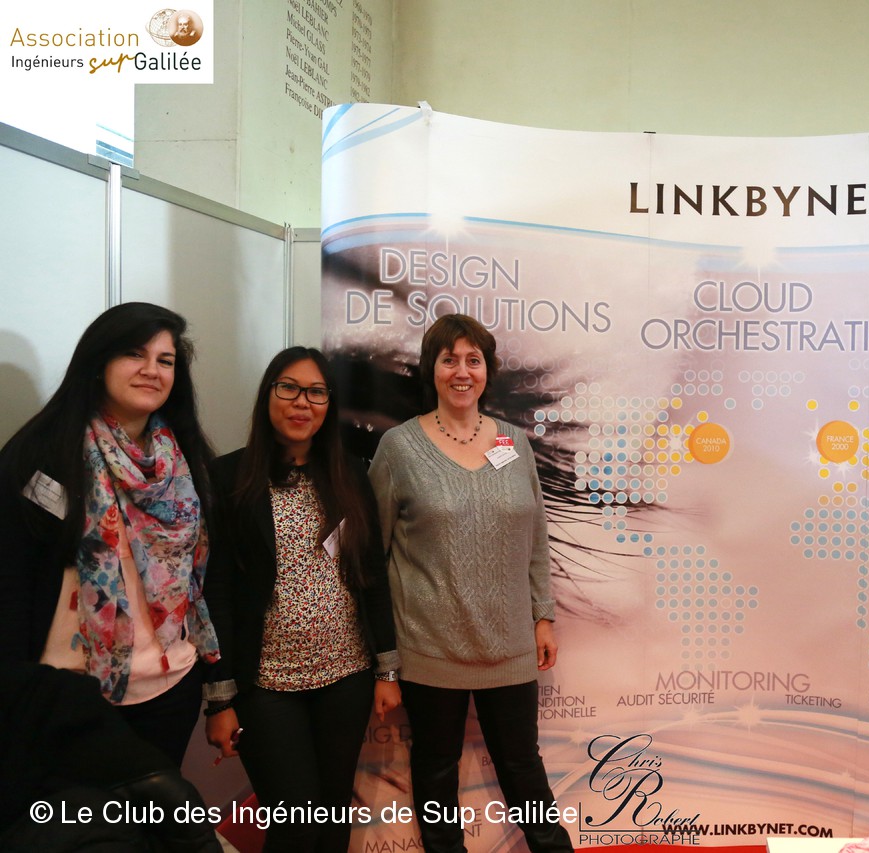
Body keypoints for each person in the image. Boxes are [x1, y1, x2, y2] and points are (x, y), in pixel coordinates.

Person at [370, 313, 573, 853]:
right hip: (429, 648)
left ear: (488, 370)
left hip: (510, 644)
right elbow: (372, 556)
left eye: (473, 360)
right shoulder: (398, 448)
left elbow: (535, 534)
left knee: (524, 770)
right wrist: (384, 660)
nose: (462, 372)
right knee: (437, 772)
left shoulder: (514, 443)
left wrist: (543, 614)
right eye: (449, 360)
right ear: (431, 369)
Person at [0, 301, 219, 768]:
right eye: (134, 354)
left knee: (156, 813)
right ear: (99, 362)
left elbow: (198, 573)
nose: (151, 370)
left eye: (165, 360)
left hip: (168, 684)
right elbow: (12, 581)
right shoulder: (41, 454)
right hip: (69, 693)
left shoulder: (184, 458)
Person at [204, 346, 401, 853]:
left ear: (328, 404)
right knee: (294, 825)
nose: (301, 402)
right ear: (268, 395)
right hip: (266, 684)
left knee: (333, 816)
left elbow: (371, 575)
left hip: (346, 677)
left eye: (316, 392)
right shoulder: (228, 478)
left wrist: (386, 670)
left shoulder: (350, 473)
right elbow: (214, 591)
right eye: (288, 388)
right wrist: (219, 697)